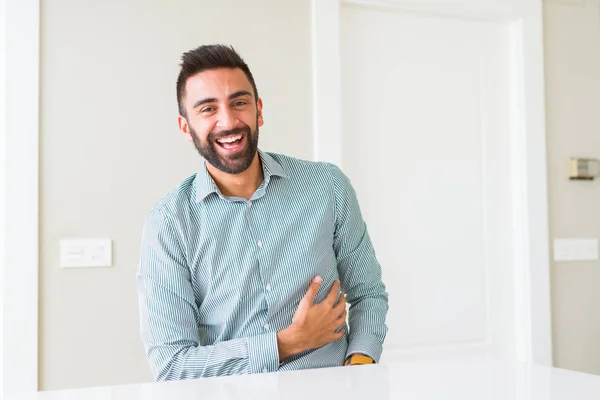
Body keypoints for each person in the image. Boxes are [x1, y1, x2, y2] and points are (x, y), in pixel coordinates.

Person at [137, 44, 388, 381]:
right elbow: (172, 365)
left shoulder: (327, 186)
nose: (228, 121)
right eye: (208, 109)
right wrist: (287, 342)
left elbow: (368, 293)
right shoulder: (168, 225)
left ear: (258, 110)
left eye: (239, 103)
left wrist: (359, 367)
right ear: (186, 127)